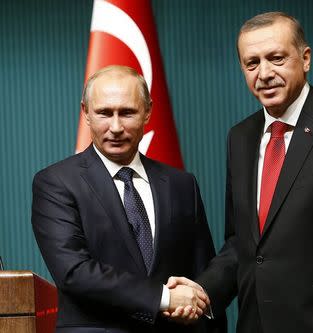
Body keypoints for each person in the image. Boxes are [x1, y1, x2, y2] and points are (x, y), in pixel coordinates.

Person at [167, 12, 313, 332]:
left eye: (276, 58)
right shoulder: (240, 137)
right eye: (252, 63)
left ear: (305, 59)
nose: (264, 73)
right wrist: (203, 291)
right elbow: (242, 243)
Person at [32, 65, 226, 333]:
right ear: (86, 113)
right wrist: (166, 298)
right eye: (104, 113)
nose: (116, 127)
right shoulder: (55, 182)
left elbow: (201, 271)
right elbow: (73, 272)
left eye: (127, 112)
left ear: (147, 111)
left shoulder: (182, 184)